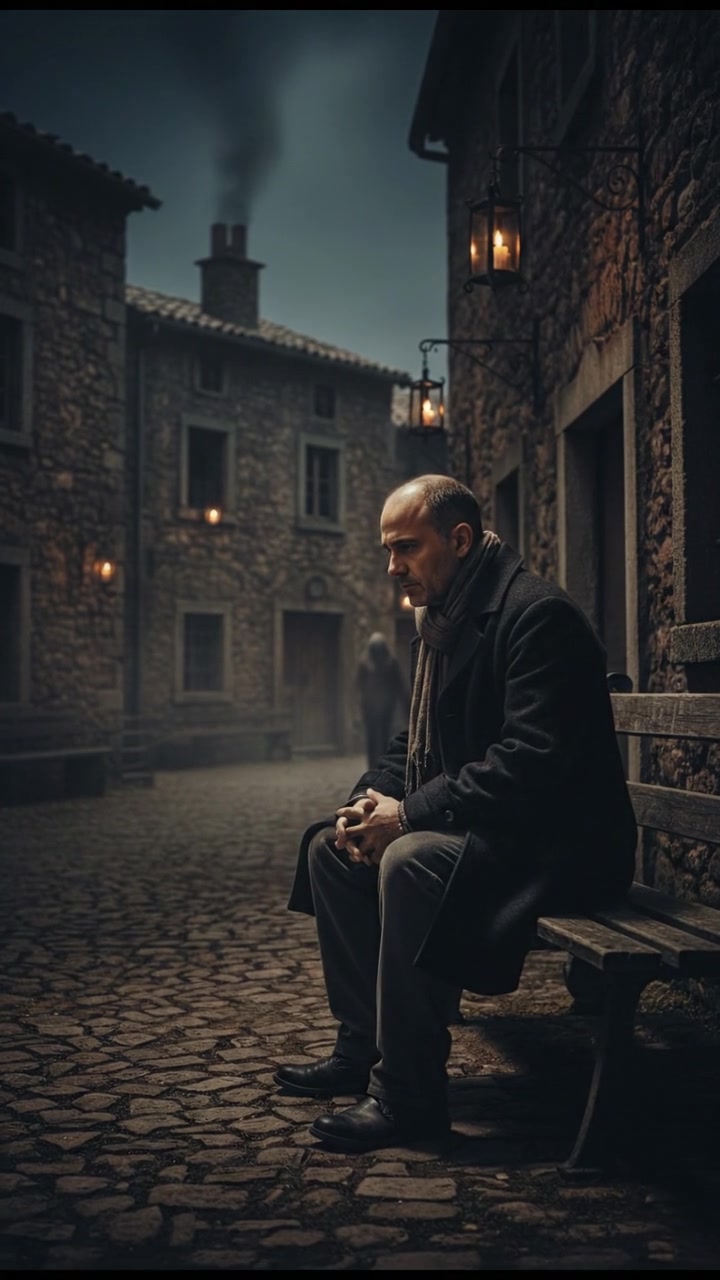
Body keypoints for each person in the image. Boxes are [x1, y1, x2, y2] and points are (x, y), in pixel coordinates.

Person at [274, 474, 637, 1154]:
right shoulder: (443, 620)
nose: (393, 568)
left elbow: (530, 762)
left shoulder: (535, 617)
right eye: (387, 550)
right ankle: (362, 1046)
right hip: (497, 832)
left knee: (411, 858)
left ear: (461, 540)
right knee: (331, 846)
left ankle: (408, 1098)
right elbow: (412, 743)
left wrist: (408, 814)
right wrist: (369, 801)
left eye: (406, 548)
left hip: (560, 850)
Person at [355, 631, 409, 769]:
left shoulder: (390, 662)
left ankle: (382, 764)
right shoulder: (365, 663)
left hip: (386, 706)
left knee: (385, 735)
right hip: (370, 707)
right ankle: (373, 765)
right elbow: (359, 685)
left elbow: (398, 684)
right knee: (373, 737)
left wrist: (405, 705)